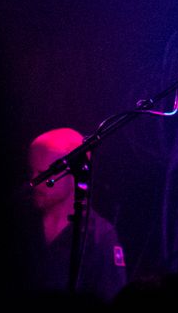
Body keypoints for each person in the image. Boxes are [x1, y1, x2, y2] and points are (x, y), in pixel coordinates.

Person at [26, 126, 128, 300]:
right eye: (31, 171)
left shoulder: (100, 236)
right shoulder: (21, 222)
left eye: (43, 174)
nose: (34, 181)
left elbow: (112, 301)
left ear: (75, 173)